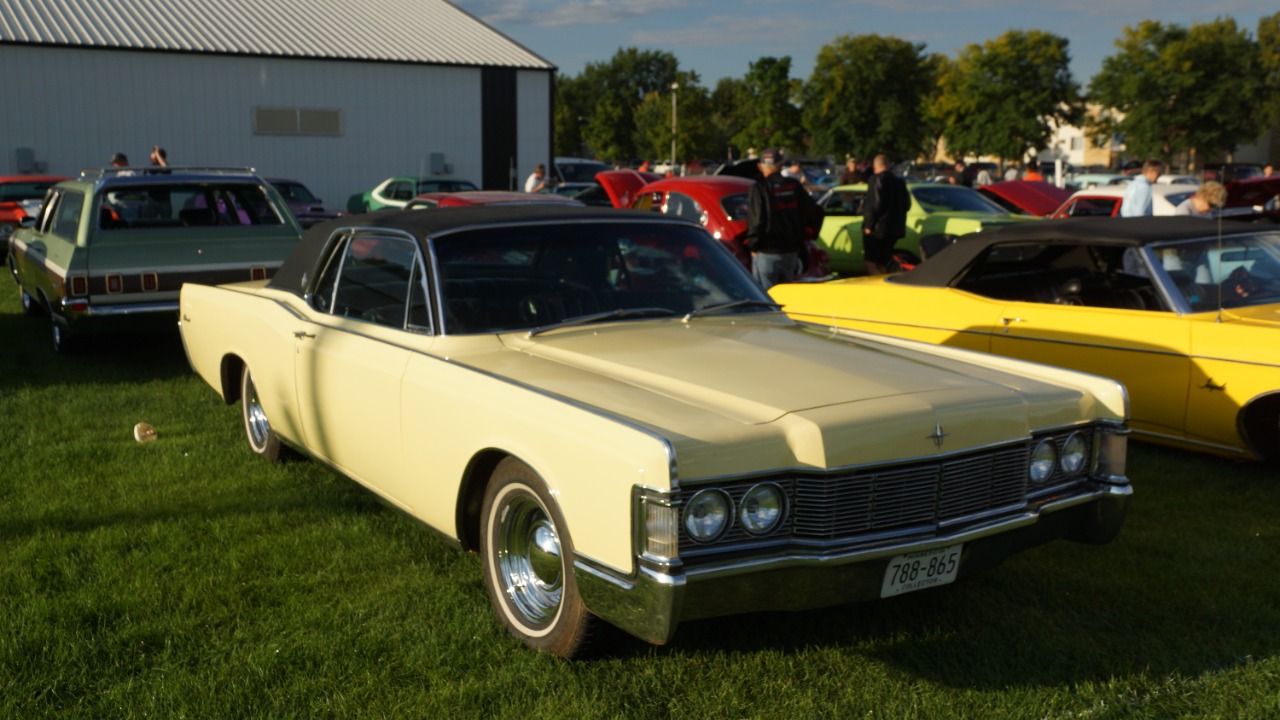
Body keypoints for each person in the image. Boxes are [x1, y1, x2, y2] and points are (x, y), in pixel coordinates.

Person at [745, 148, 821, 289]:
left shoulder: (760, 188)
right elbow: (813, 212)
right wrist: (803, 236)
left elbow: (756, 221)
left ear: (760, 166)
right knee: (785, 295)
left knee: (767, 297)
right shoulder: (794, 185)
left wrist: (753, 246)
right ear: (781, 165)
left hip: (767, 251)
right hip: (790, 252)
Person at [861, 154, 909, 276]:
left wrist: (869, 225)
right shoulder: (899, 182)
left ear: (875, 167)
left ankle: (877, 285)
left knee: (871, 263)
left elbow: (875, 204)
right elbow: (907, 205)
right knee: (883, 262)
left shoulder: (875, 180)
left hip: (877, 230)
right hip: (894, 229)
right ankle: (883, 281)